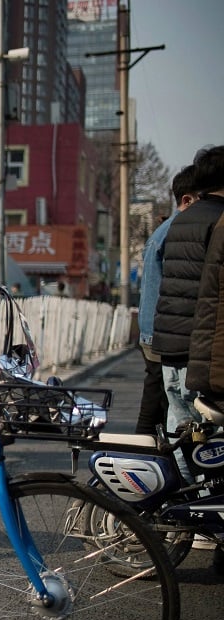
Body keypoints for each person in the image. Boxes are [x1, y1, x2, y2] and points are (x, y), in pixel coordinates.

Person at [153, 145, 224, 442]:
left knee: (182, 432)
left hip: (170, 344)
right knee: (204, 441)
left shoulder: (180, 219)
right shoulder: (218, 221)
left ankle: (177, 488)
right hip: (198, 349)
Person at [135, 164, 199, 434]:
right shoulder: (175, 232)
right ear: (187, 200)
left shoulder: (166, 232)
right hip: (161, 333)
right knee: (162, 402)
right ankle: (142, 459)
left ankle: (147, 454)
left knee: (160, 399)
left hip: (156, 331)